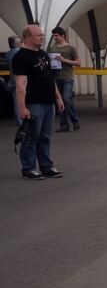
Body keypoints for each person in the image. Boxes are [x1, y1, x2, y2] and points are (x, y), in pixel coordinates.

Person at [12, 23, 64, 178]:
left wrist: (58, 97)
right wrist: (22, 107)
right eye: (38, 35)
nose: (42, 37)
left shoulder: (43, 54)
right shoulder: (20, 57)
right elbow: (20, 84)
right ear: (27, 37)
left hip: (49, 102)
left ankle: (46, 166)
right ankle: (28, 168)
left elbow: (50, 78)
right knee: (31, 137)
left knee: (45, 137)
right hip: (34, 103)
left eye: (42, 35)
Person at [49, 27, 80, 132]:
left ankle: (75, 120)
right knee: (60, 100)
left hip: (67, 77)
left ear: (62, 35)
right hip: (56, 77)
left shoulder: (70, 48)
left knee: (66, 98)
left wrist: (64, 60)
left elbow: (78, 63)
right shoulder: (52, 49)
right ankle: (64, 125)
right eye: (53, 36)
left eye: (56, 35)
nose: (55, 38)